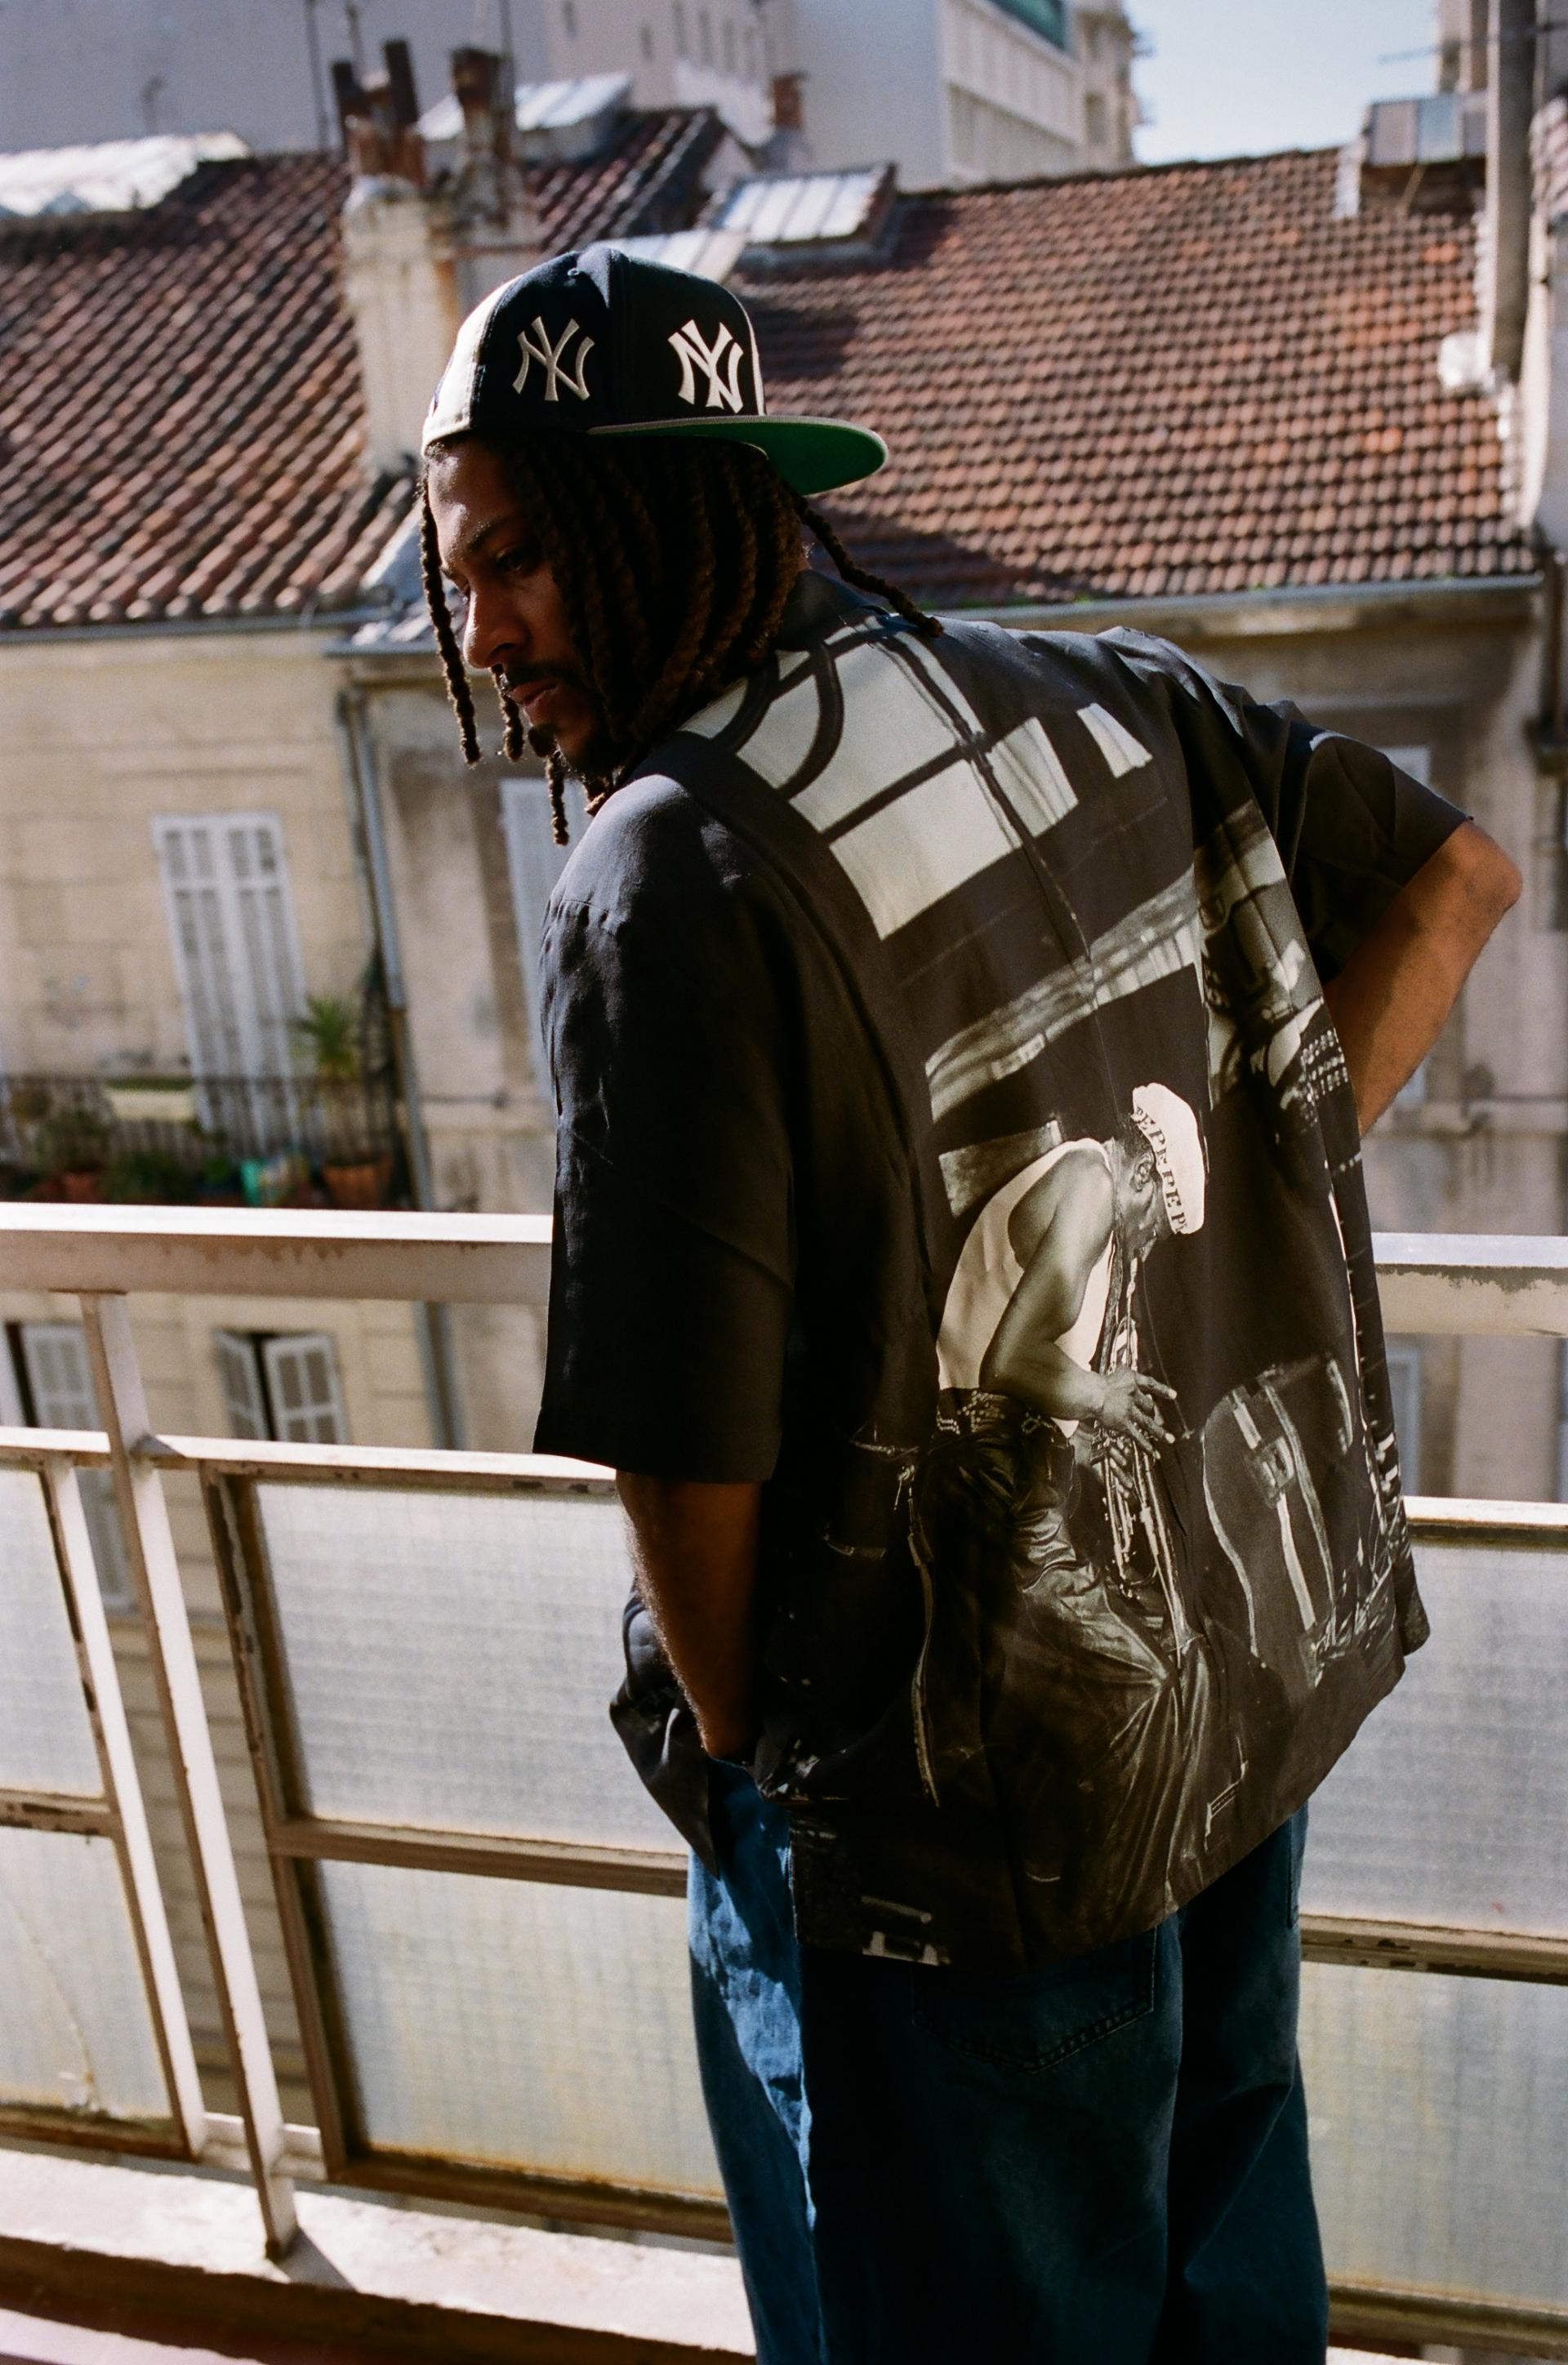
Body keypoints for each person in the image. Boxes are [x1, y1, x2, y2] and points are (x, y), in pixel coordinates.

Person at [420, 244, 1521, 2365]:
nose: (486, 634)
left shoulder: (672, 860)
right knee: (1223, 2277)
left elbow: (683, 1438)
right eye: (464, 573)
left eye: (524, 557)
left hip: (935, 1830)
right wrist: (1266, 1181)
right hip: (1230, 1711)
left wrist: (750, 1767)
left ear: (672, 517)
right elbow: (1454, 879)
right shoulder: (1111, 694)